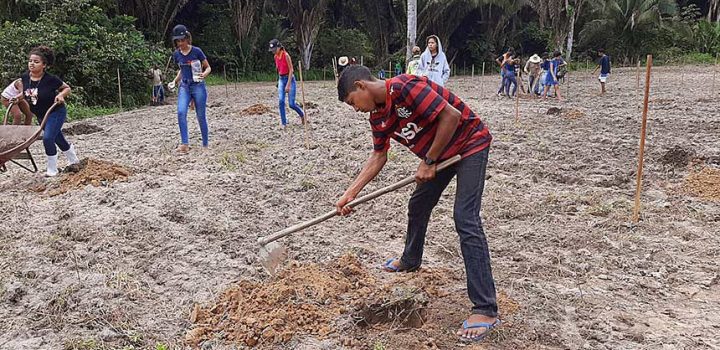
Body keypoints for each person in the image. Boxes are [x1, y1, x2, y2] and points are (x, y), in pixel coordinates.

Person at [336, 65, 499, 342]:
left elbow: (451, 115)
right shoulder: (377, 117)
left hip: (469, 144)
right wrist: (350, 193)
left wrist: (429, 160)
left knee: (465, 218)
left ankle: (485, 308)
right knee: (419, 205)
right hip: (440, 154)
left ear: (361, 86)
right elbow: (378, 156)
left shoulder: (405, 87)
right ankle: (411, 260)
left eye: (353, 102)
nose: (355, 109)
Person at [18, 46, 79, 176]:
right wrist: (17, 98)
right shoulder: (25, 77)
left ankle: (52, 169)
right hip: (41, 115)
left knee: (48, 138)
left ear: (44, 65)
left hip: (55, 112)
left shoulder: (51, 79)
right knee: (57, 138)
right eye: (30, 61)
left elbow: (67, 88)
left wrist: (61, 95)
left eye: (36, 61)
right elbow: (28, 93)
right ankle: (73, 159)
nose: (32, 64)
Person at [169, 24, 211, 153]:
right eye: (178, 41)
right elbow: (182, 70)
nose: (180, 43)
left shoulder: (197, 51)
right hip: (185, 86)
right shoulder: (177, 54)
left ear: (187, 38)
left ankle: (205, 143)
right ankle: (184, 143)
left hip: (198, 85)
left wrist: (204, 74)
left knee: (200, 115)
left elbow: (208, 67)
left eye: (182, 40)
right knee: (181, 112)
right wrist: (174, 81)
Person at [269, 38, 305, 128]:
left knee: (291, 104)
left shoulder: (286, 55)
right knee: (281, 101)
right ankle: (284, 123)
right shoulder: (275, 57)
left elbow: (291, 70)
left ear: (278, 47)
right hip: (281, 79)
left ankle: (302, 114)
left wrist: (288, 85)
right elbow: (279, 70)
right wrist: (279, 82)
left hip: (290, 79)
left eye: (274, 49)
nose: (273, 51)